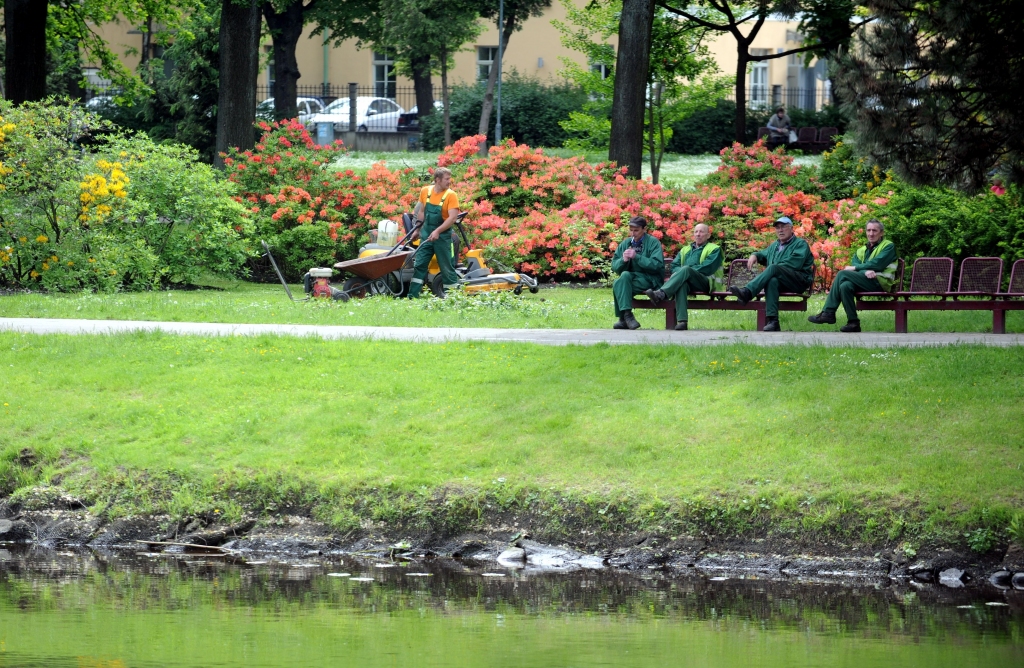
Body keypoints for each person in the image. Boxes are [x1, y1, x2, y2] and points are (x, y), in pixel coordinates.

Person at [808, 219, 897, 332]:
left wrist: (856, 268)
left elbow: (877, 264)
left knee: (842, 274)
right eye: (868, 230)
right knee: (845, 286)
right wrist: (864, 271)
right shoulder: (861, 250)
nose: (871, 233)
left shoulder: (888, 246)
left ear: (881, 233)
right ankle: (853, 323)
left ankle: (828, 312)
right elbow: (856, 264)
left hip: (881, 282)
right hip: (866, 282)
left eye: (874, 230)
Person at [729, 216, 814, 331]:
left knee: (773, 268)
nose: (780, 230)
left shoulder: (800, 244)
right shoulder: (775, 246)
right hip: (783, 282)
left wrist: (775, 268)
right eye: (778, 228)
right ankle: (773, 321)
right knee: (772, 281)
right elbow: (762, 254)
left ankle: (747, 292)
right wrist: (755, 255)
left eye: (784, 227)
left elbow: (795, 264)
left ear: (791, 229)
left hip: (799, 281)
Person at [643, 223, 723, 330]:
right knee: (682, 284)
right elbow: (674, 266)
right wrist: (681, 273)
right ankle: (682, 321)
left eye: (701, 232)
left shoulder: (715, 249)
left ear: (708, 235)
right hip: (688, 281)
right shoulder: (685, 249)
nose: (698, 234)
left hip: (708, 282)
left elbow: (707, 268)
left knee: (686, 269)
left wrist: (686, 271)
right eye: (696, 232)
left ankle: (662, 293)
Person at [406, 167, 461, 298]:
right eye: (447, 179)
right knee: (419, 265)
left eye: (449, 178)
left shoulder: (451, 195)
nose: (449, 181)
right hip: (426, 235)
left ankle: (452, 298)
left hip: (443, 237)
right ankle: (412, 297)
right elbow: (421, 212)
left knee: (446, 267)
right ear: (437, 180)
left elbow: (452, 218)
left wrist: (437, 231)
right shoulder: (425, 191)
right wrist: (417, 230)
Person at [611, 216, 665, 330]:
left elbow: (657, 265)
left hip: (650, 279)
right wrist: (623, 260)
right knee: (623, 276)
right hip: (632, 279)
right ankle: (627, 315)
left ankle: (623, 318)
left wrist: (637, 257)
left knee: (618, 284)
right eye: (631, 230)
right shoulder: (626, 243)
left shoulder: (653, 242)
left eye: (636, 230)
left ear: (644, 229)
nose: (633, 233)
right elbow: (615, 266)